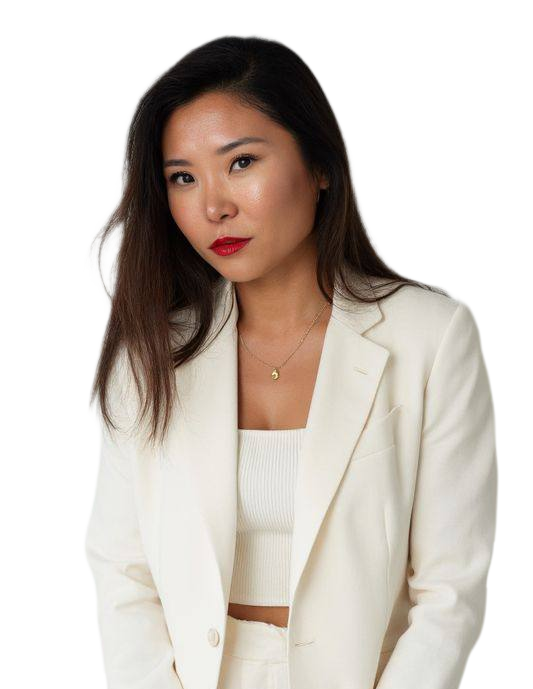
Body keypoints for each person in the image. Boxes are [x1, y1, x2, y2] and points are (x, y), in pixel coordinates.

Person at [83, 32, 499, 689]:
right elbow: (121, 570)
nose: (213, 205)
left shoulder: (430, 337)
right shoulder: (152, 352)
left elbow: (451, 589)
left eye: (241, 162)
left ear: (320, 165)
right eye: (182, 177)